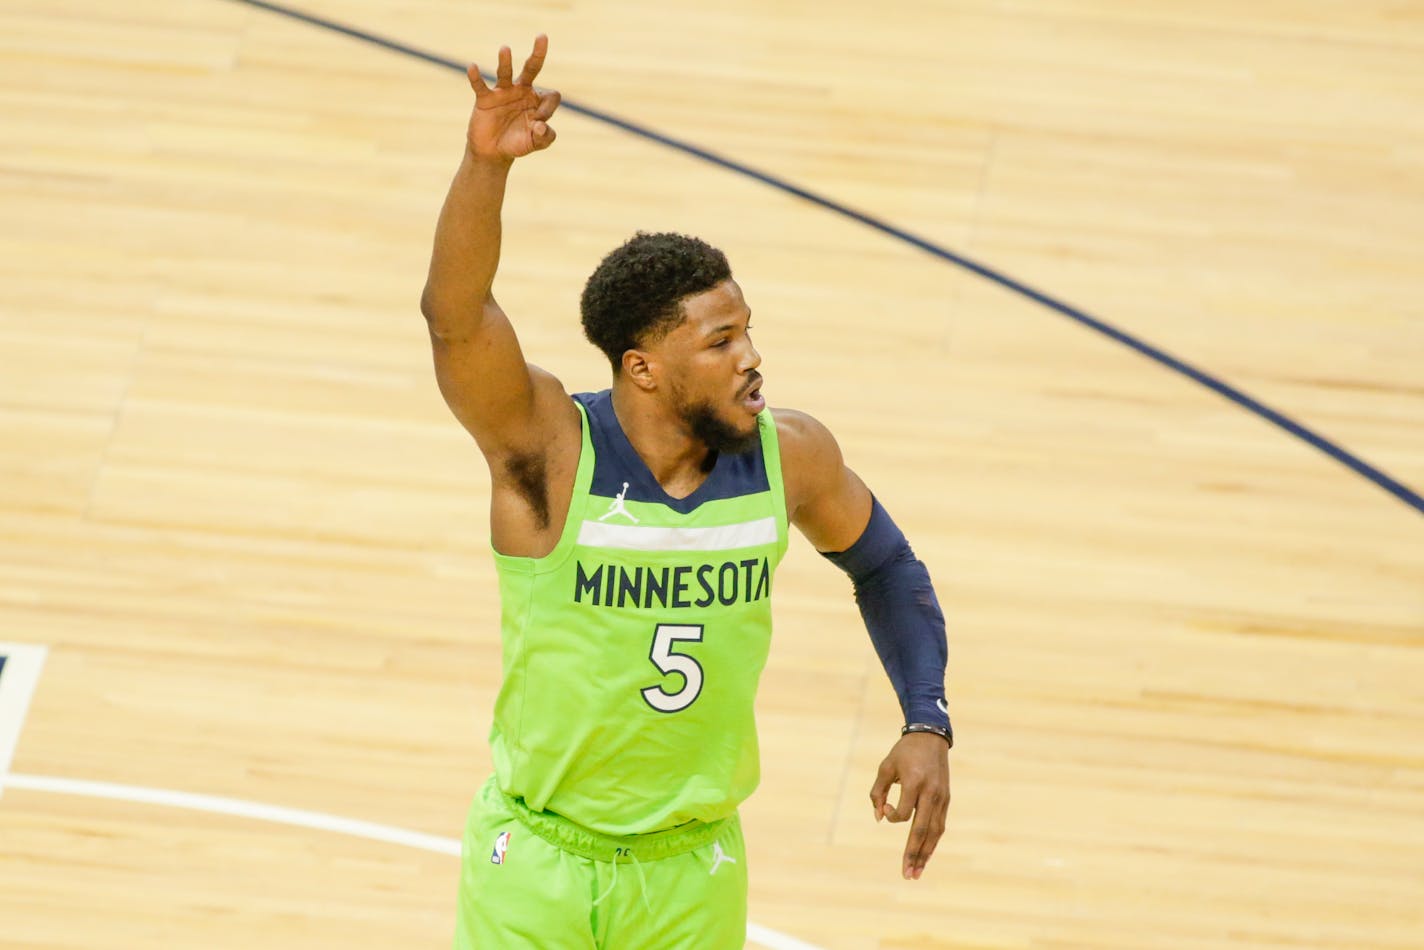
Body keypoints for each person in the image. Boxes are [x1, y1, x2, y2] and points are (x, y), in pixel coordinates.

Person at [421, 34, 953, 950]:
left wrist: (926, 718)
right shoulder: (549, 454)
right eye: (719, 342)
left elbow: (888, 564)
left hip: (692, 867)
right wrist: (484, 168)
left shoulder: (793, 457)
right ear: (644, 368)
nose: (751, 357)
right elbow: (455, 319)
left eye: (747, 331)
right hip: (538, 864)